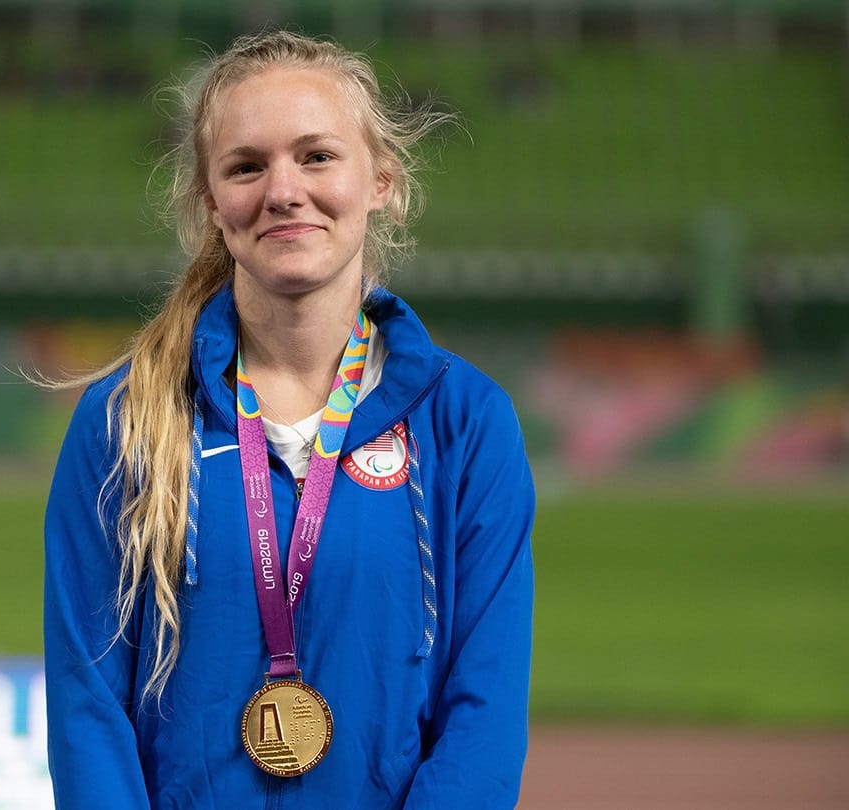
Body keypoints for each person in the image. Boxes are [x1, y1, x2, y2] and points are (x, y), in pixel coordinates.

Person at [43, 30, 536, 808]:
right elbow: (87, 708)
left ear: (381, 180)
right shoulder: (126, 422)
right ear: (212, 202)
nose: (282, 190)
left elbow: (487, 715)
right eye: (246, 166)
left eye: (316, 156)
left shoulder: (467, 425)